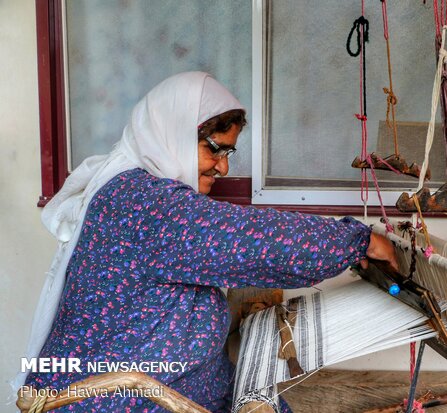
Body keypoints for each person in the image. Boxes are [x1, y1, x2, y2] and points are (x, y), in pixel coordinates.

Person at [18, 72, 397, 412]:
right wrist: (360, 242)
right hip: (107, 400)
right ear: (172, 134)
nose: (223, 167)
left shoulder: (133, 189)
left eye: (227, 151)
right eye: (213, 148)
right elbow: (251, 239)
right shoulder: (145, 202)